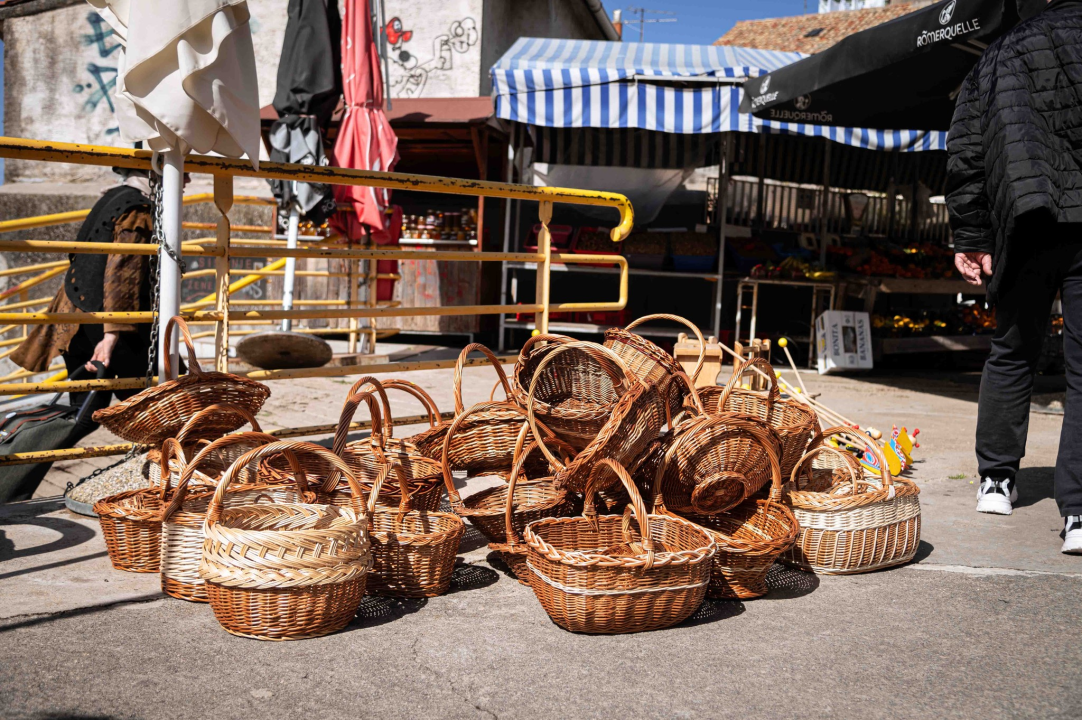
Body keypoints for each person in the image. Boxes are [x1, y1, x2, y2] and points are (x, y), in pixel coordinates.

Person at [946, 0, 1082, 553]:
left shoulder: (997, 54)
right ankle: (1079, 514)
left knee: (1012, 349)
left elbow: (966, 153)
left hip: (1022, 220)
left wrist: (971, 236)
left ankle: (997, 481)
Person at [10, 167, 156, 441]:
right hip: (110, 324)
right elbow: (122, 273)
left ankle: (17, 466)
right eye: (181, 172)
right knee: (163, 402)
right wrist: (111, 336)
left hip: (74, 315)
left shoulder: (114, 196)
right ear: (155, 172)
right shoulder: (138, 209)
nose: (187, 179)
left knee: (85, 414)